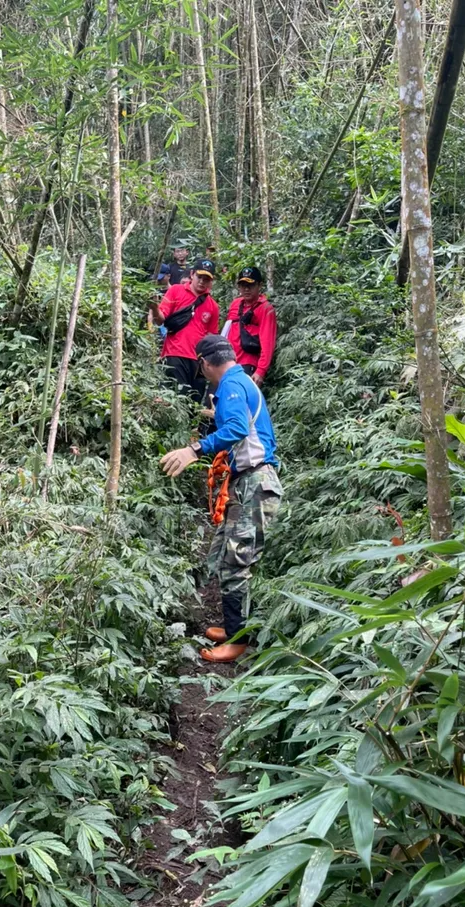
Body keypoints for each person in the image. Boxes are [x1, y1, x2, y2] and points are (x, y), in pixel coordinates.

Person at [160, 335, 282, 663]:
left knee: (236, 563)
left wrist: (193, 449)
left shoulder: (230, 385)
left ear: (204, 362)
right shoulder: (239, 382)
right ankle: (233, 627)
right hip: (250, 482)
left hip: (256, 484)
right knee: (225, 553)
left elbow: (238, 428)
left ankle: (240, 641)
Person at [150, 258, 220, 402]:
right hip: (174, 354)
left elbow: (211, 338)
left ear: (211, 281)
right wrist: (154, 307)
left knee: (194, 402)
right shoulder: (176, 291)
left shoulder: (213, 306)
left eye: (206, 279)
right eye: (199, 277)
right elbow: (160, 319)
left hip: (198, 361)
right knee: (174, 399)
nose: (202, 281)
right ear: (192, 274)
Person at [222, 266, 277, 386]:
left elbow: (268, 342)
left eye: (250, 285)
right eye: (242, 285)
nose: (246, 289)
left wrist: (261, 371)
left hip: (248, 364)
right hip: (229, 362)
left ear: (259, 285)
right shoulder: (235, 304)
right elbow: (227, 331)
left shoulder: (266, 308)